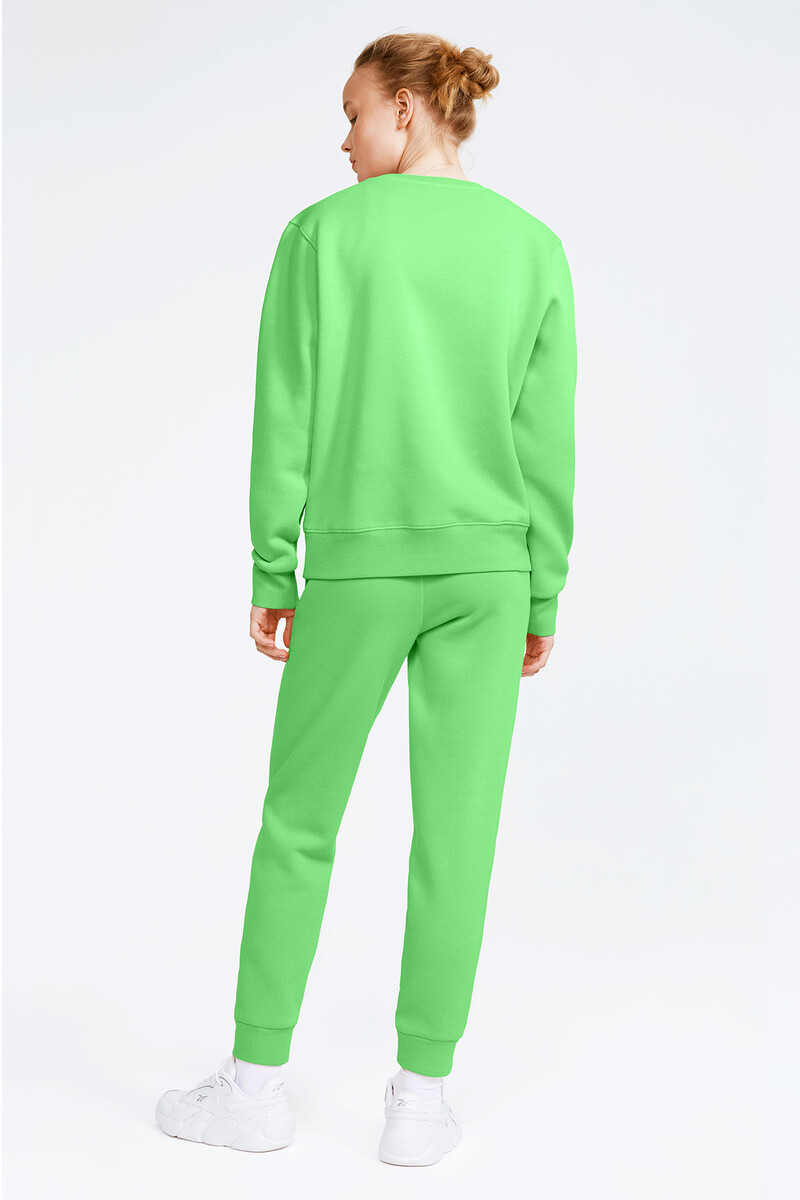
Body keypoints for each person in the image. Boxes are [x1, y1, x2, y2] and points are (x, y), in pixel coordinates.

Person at [156, 30, 577, 1167]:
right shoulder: (532, 246)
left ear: (406, 109)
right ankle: (420, 1101)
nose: (341, 139)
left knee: (299, 822)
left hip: (357, 567)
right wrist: (541, 590)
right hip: (490, 576)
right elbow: (546, 438)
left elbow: (282, 413)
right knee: (459, 835)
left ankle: (253, 1087)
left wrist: (271, 569)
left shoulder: (320, 237)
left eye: (352, 113)